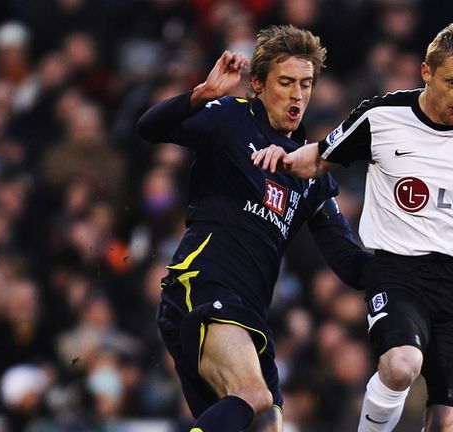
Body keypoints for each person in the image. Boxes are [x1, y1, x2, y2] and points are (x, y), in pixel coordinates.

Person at [252, 23, 453, 431]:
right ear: (426, 72)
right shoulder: (381, 118)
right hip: (400, 272)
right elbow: (318, 158)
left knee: (446, 423)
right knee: (401, 365)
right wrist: (279, 156)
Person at [137, 25, 370, 432]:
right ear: (258, 84)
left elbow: (349, 264)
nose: (297, 94)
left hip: (249, 313)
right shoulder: (231, 119)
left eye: (306, 83)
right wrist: (201, 95)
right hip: (202, 284)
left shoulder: (311, 169)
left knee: (267, 421)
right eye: (286, 82)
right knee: (254, 396)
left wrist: (415, 271)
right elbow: (150, 128)